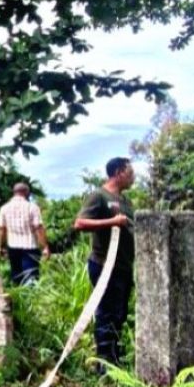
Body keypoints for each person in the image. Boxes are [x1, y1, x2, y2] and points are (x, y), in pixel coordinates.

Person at [74, 156, 136, 368]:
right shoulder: (98, 196)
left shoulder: (126, 201)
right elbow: (80, 223)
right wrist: (112, 222)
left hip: (124, 267)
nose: (133, 176)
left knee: (120, 313)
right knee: (106, 312)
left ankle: (115, 358)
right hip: (104, 265)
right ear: (119, 172)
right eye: (130, 172)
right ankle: (104, 363)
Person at [0, 182, 50, 285]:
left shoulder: (4, 208)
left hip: (12, 247)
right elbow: (38, 228)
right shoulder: (32, 207)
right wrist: (45, 247)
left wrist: (1, 247)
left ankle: (18, 299)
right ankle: (30, 300)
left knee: (16, 277)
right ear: (26, 192)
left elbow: (1, 229)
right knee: (31, 279)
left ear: (14, 192)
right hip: (30, 247)